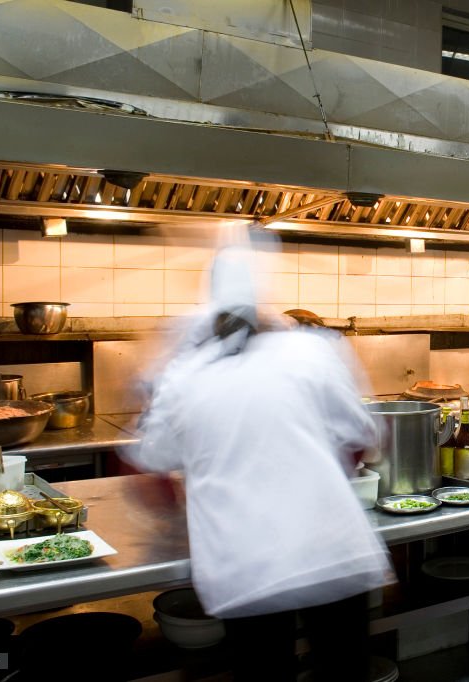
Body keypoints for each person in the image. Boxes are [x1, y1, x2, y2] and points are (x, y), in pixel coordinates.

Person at [122, 245, 392, 681]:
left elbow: (149, 473)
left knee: (264, 672)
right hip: (331, 553)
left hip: (246, 568)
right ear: (265, 307)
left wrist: (178, 522)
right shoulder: (313, 351)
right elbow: (363, 438)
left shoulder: (184, 375)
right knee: (344, 670)